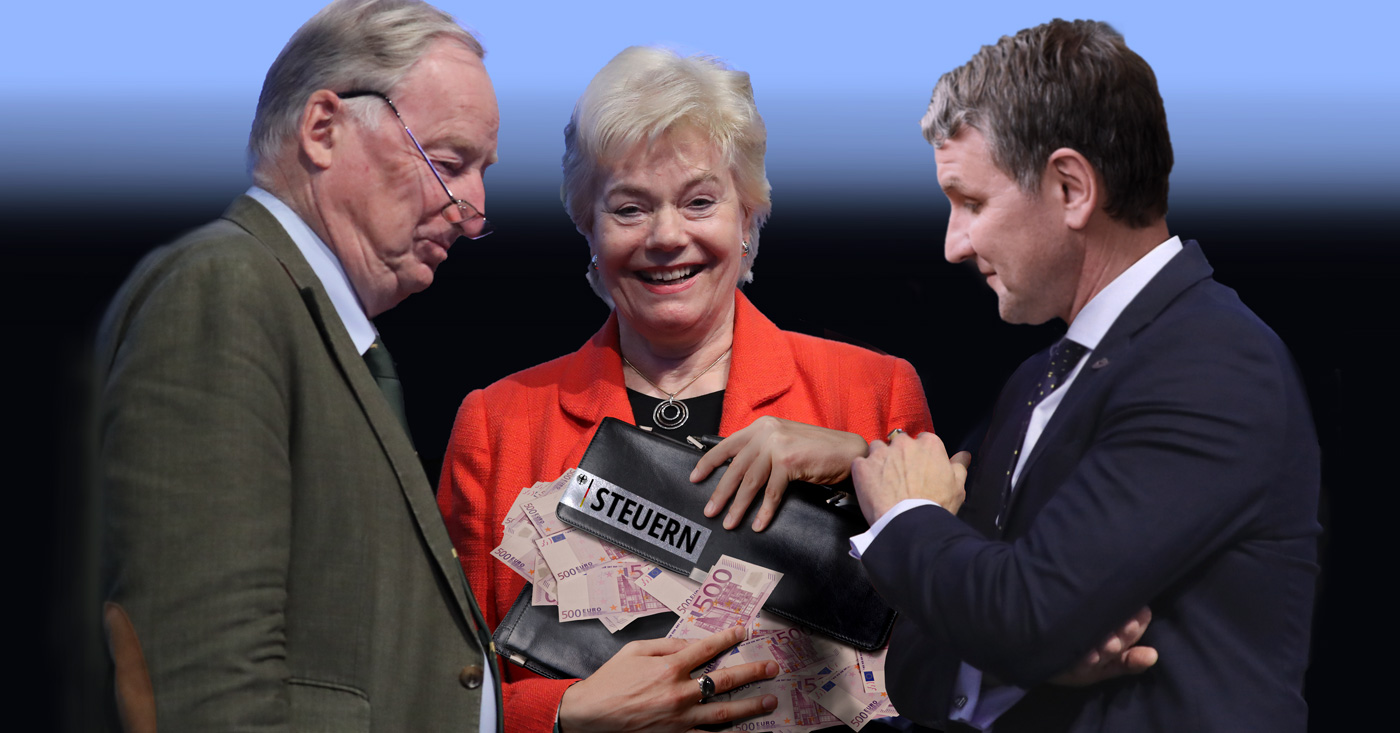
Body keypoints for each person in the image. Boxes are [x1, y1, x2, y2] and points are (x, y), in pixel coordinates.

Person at [436, 46, 935, 733]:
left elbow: (945, 656)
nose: (667, 236)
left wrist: (859, 460)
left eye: (700, 200)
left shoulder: (873, 393)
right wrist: (565, 714)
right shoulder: (496, 424)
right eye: (629, 208)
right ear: (588, 224)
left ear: (748, 214)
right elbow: (437, 689)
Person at [848, 18, 1322, 732]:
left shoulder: (1218, 363)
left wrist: (904, 515)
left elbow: (1020, 612)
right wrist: (1016, 647)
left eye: (972, 202)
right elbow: (920, 661)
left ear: (1071, 187)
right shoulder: (1034, 380)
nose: (953, 244)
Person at [94, 1, 503, 730]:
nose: (473, 210)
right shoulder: (224, 288)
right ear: (323, 129)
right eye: (448, 162)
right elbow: (202, 683)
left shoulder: (316, 325)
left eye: (481, 173)